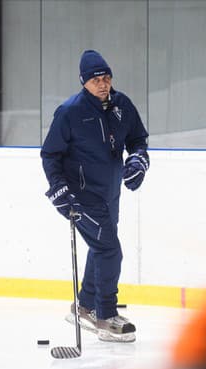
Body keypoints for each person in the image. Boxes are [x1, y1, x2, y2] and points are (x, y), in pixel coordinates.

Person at [41, 49, 149, 343]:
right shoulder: (70, 112)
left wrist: (139, 159)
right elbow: (50, 154)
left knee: (101, 246)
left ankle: (85, 306)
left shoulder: (122, 105)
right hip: (80, 196)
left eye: (106, 77)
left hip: (110, 193)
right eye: (95, 79)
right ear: (83, 82)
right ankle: (105, 316)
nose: (102, 83)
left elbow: (138, 139)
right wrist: (59, 190)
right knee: (110, 249)